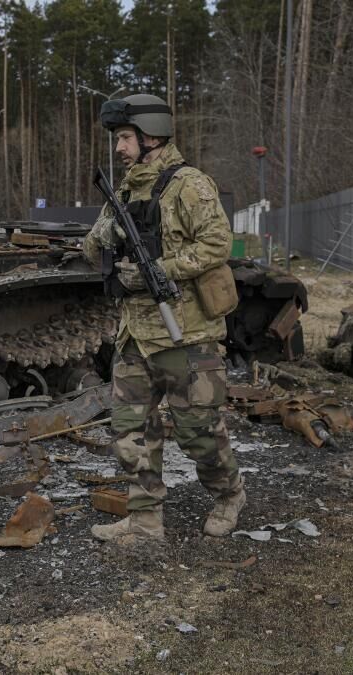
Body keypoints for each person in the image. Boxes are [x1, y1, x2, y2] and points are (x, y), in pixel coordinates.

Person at [82, 93, 245, 544]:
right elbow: (90, 248)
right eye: (118, 138)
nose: (119, 148)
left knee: (199, 433)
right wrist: (105, 232)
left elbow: (217, 244)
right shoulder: (124, 191)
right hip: (134, 334)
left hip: (187, 332)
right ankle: (144, 521)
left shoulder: (190, 185)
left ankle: (229, 495)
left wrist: (160, 270)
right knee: (130, 431)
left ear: (151, 135)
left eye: (125, 138)